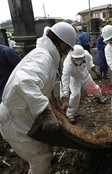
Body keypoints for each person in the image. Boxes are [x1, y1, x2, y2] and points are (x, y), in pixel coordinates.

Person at [0, 22, 77, 173]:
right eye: (67, 49)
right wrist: (46, 112)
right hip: (14, 119)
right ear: (61, 45)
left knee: (45, 150)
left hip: (22, 114)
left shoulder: (43, 54)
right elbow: (24, 81)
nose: (66, 54)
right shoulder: (43, 57)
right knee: (40, 158)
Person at [60, 45, 105, 123]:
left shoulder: (86, 55)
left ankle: (98, 97)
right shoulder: (67, 64)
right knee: (75, 95)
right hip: (74, 78)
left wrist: (95, 71)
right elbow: (65, 80)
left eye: (80, 58)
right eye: (76, 59)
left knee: (93, 88)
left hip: (85, 75)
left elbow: (90, 64)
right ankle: (70, 115)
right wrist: (65, 97)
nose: (78, 60)